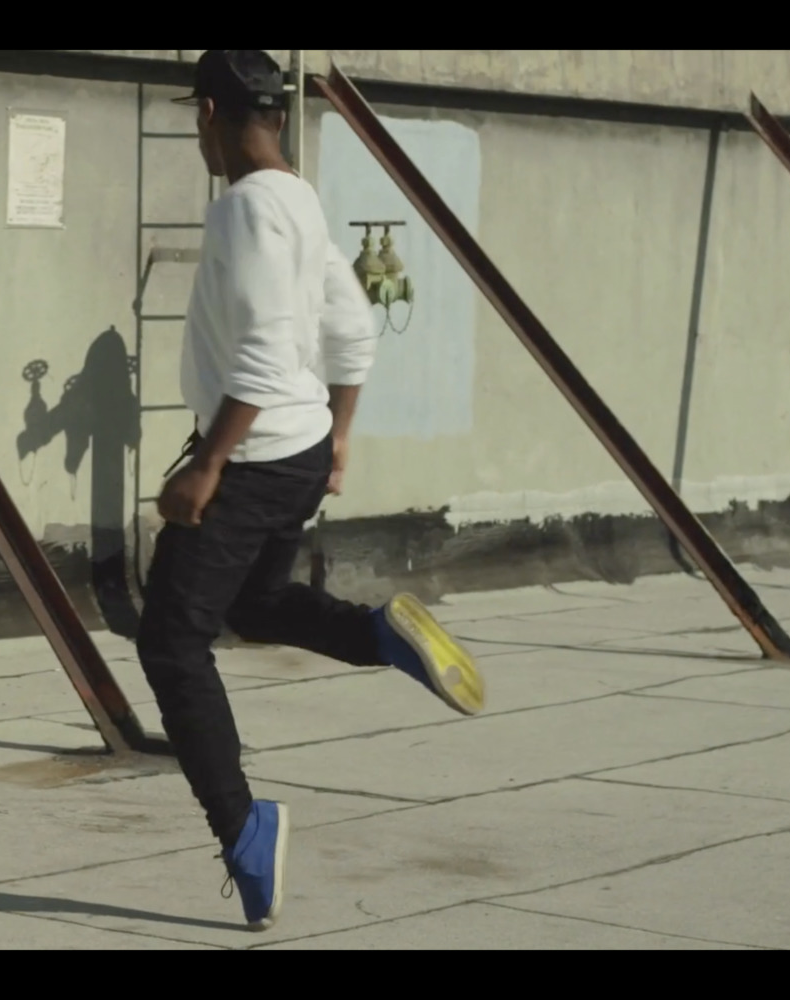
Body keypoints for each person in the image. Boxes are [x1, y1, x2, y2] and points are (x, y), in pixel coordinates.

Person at [137, 49, 487, 931]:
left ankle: (245, 828)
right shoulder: (301, 198)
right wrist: (337, 438)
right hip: (297, 451)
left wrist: (207, 465)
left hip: (252, 459)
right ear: (279, 116)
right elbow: (352, 328)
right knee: (256, 605)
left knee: (171, 642)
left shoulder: (245, 210)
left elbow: (259, 356)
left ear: (209, 113)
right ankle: (380, 634)